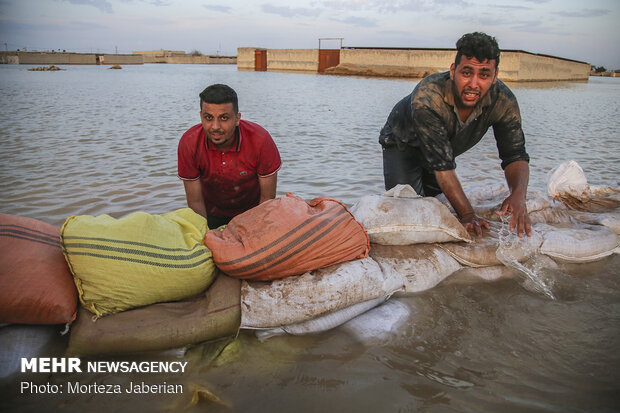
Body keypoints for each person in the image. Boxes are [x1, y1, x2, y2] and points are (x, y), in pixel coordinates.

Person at [379, 32, 532, 237]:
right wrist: (468, 215)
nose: (473, 84)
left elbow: (514, 155)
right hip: (403, 142)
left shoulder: (503, 101)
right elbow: (443, 167)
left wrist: (518, 195)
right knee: (407, 208)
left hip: (444, 150)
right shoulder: (428, 97)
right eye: (466, 73)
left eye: (484, 75)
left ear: (495, 76)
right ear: (453, 71)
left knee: (436, 201)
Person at [178, 84, 281, 228]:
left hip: (252, 213)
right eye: (208, 118)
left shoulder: (260, 140)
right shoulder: (189, 143)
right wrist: (205, 233)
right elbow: (195, 201)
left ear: (237, 118)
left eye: (224, 118)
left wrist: (255, 230)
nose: (215, 126)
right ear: (201, 116)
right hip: (209, 215)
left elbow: (267, 198)